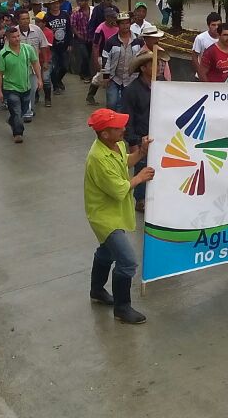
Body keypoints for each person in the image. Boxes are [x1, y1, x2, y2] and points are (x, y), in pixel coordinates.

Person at [84, 108, 154, 324]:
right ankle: (122, 308)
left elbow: (126, 161)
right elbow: (118, 189)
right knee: (128, 262)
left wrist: (141, 152)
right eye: (118, 127)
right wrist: (140, 178)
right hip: (104, 216)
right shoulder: (98, 158)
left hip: (116, 211)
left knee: (107, 252)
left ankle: (97, 290)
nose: (124, 129)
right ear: (105, 133)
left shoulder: (117, 145)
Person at [0, 25, 42, 143]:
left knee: (23, 109)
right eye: (13, 37)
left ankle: (12, 120)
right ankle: (18, 133)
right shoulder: (3, 54)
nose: (17, 39)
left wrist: (39, 79)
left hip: (26, 87)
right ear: (7, 39)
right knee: (16, 111)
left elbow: (35, 63)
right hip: (10, 88)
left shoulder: (28, 49)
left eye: (18, 36)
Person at [121, 53, 155, 212]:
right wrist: (133, 141)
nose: (158, 67)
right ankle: (140, 199)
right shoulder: (132, 90)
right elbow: (128, 118)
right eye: (153, 64)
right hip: (141, 137)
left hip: (158, 136)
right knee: (142, 166)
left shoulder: (161, 85)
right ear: (143, 68)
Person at [101, 12, 141, 111]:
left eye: (127, 23)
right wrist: (106, 76)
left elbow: (142, 57)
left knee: (127, 104)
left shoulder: (138, 40)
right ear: (118, 25)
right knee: (111, 103)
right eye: (122, 23)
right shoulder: (111, 41)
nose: (125, 26)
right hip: (114, 78)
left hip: (132, 78)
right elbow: (106, 58)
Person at [16, 10, 51, 114]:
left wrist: (45, 61)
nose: (26, 21)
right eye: (23, 19)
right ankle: (25, 110)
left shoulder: (37, 30)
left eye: (27, 18)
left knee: (32, 89)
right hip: (19, 67)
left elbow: (43, 46)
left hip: (34, 66)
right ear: (18, 20)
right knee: (21, 89)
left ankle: (29, 108)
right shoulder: (14, 32)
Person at [41, 0, 71, 93]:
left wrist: (70, 43)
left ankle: (58, 80)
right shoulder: (47, 17)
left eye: (57, 3)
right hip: (52, 46)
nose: (55, 5)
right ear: (49, 5)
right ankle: (56, 86)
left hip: (64, 45)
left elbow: (69, 29)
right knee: (54, 67)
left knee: (65, 66)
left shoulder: (65, 15)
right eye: (53, 4)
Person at [192, 12, 222, 78]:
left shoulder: (224, 38)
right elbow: (194, 56)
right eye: (213, 25)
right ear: (208, 25)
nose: (216, 27)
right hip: (203, 77)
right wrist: (200, 72)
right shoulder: (200, 38)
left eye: (218, 25)